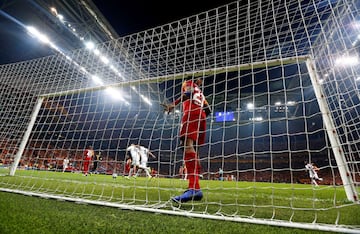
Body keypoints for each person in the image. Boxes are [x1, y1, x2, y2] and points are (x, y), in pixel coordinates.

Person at [162, 76, 211, 203]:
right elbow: (208, 110)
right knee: (193, 149)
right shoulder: (200, 92)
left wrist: (173, 104)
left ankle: (194, 188)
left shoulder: (188, 83)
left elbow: (188, 93)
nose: (201, 81)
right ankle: (195, 186)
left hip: (191, 114)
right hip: (202, 116)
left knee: (186, 146)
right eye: (200, 79)